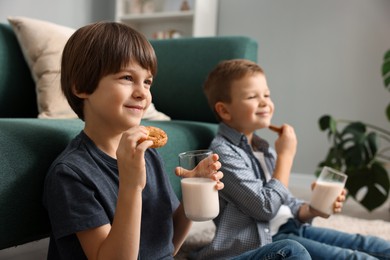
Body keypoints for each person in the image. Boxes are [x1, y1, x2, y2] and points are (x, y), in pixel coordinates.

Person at [42, 22, 312, 260]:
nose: (142, 93)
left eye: (147, 82)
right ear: (81, 87)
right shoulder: (71, 173)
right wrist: (131, 186)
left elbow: (167, 247)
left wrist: (194, 193)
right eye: (127, 78)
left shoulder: (148, 154)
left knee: (288, 250)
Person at [197, 58, 390, 260]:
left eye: (267, 94)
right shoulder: (222, 154)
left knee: (372, 245)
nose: (264, 102)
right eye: (252, 96)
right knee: (356, 257)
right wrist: (286, 156)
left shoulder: (263, 148)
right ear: (224, 110)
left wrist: (314, 208)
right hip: (267, 241)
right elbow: (265, 208)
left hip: (290, 227)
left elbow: (288, 204)